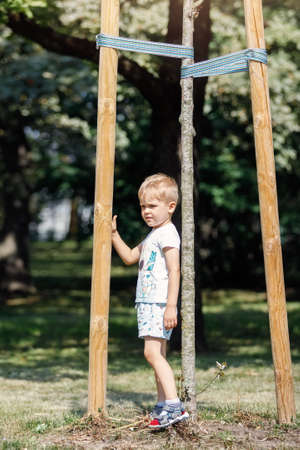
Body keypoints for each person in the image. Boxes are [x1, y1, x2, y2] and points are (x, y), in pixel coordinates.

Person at [112, 173, 189, 429]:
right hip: (146, 303)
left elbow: (174, 271)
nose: (146, 211)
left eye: (152, 206)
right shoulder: (153, 235)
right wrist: (113, 235)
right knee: (159, 355)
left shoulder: (167, 234)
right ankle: (161, 405)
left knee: (151, 353)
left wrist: (171, 305)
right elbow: (129, 257)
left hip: (159, 303)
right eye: (143, 206)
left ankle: (174, 405)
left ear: (170, 207)